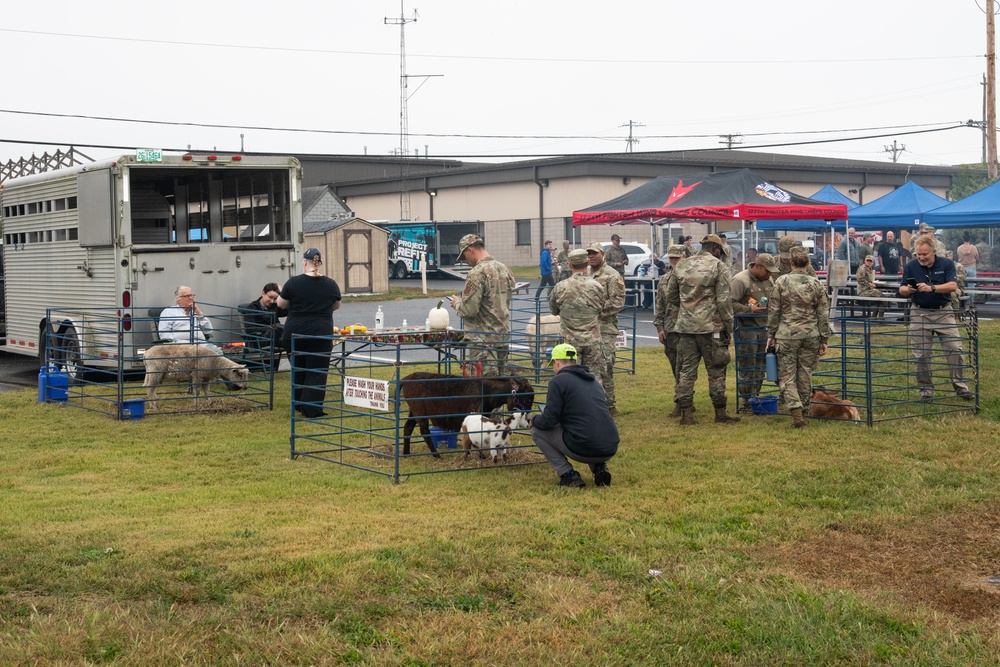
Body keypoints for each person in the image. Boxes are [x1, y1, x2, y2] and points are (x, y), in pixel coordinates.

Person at [665, 234, 740, 425]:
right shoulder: (718, 266)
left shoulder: (681, 265)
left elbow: (671, 295)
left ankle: (686, 415)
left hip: (686, 327)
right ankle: (720, 413)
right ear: (715, 249)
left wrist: (687, 308)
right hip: (711, 327)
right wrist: (729, 327)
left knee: (686, 371)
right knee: (716, 369)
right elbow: (724, 301)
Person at [530, 344, 619, 488]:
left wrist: (534, 420)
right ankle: (600, 468)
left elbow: (549, 419)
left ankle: (568, 475)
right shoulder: (594, 381)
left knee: (537, 430)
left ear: (557, 363)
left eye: (554, 365)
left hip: (583, 447)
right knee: (586, 425)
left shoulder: (557, 382)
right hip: (609, 446)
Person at [899, 237, 973, 401]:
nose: (921, 257)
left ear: (934, 251)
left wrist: (932, 288)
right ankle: (926, 391)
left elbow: (952, 286)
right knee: (921, 355)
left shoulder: (946, 264)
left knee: (955, 349)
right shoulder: (911, 266)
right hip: (919, 313)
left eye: (924, 254)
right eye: (918, 254)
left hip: (943, 312)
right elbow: (902, 289)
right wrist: (909, 289)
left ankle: (961, 387)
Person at [766, 251, 830, 428]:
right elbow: (823, 314)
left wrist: (770, 335)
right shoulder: (816, 283)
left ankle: (796, 414)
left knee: (787, 375)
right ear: (808, 263)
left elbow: (774, 311)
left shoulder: (782, 281)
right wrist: (824, 338)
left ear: (791, 263)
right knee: (805, 373)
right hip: (810, 335)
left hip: (786, 335)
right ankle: (803, 410)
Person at [277, 248, 342, 418]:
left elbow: (281, 304)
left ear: (305, 262)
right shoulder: (330, 284)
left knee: (298, 368)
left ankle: (298, 404)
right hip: (320, 332)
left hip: (294, 333)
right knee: (317, 370)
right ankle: (311, 409)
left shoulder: (293, 283)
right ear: (319, 263)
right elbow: (336, 305)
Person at [448, 234, 516, 376]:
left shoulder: (477, 273)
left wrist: (457, 303)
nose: (466, 262)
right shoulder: (505, 269)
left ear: (470, 250)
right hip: (502, 336)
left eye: (464, 257)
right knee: (500, 387)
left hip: (483, 340)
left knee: (483, 388)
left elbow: (469, 309)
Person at [549, 249, 605, 380]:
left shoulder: (560, 287)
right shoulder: (597, 286)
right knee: (594, 377)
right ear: (588, 264)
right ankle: (594, 400)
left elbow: (554, 310)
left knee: (569, 377)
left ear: (570, 265)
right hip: (592, 339)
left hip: (569, 341)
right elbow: (600, 309)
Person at [731, 252, 779, 406]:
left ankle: (756, 396)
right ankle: (746, 399)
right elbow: (728, 304)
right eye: (767, 270)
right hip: (747, 329)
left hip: (764, 327)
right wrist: (749, 308)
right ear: (758, 266)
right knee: (747, 365)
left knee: (761, 365)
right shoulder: (740, 280)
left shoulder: (768, 279)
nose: (769, 274)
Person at [586, 242, 626, 416]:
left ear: (602, 254)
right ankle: (594, 403)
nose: (591, 257)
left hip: (606, 327)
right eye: (588, 254)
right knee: (589, 367)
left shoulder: (612, 275)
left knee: (605, 365)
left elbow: (617, 302)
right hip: (587, 328)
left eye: (594, 253)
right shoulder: (585, 274)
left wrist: (594, 310)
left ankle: (610, 404)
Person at [653, 244, 687, 417]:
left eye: (677, 258)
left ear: (684, 257)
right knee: (676, 367)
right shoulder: (665, 280)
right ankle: (683, 400)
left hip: (688, 329)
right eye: (671, 258)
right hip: (671, 329)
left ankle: (682, 402)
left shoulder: (690, 278)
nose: (673, 261)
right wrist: (659, 327)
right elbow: (660, 305)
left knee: (685, 368)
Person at [158, 285, 222, 353]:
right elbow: (164, 333)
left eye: (192, 295)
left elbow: (208, 331)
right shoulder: (169, 311)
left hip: (201, 345)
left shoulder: (195, 312)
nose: (191, 298)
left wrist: (199, 313)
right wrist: (175, 345)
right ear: (178, 298)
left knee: (218, 354)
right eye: (187, 296)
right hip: (181, 347)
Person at [243, 282, 288, 371]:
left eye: (275, 298)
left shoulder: (274, 306)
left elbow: (289, 310)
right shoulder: (252, 308)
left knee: (287, 332)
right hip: (260, 340)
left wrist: (282, 294)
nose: (272, 301)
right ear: (263, 293)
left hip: (276, 338)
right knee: (277, 327)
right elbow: (249, 329)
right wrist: (269, 328)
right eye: (270, 297)